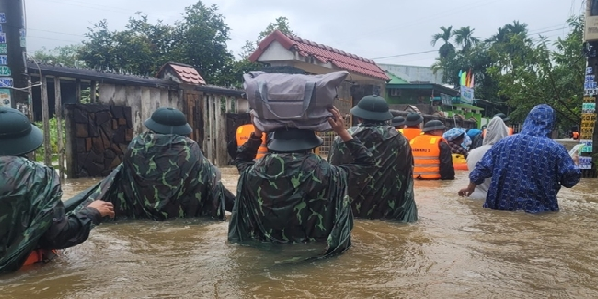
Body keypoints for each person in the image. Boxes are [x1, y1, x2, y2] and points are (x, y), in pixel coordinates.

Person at [0, 107, 114, 279]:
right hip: (16, 276)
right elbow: (57, 236)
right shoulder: (37, 176)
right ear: (25, 142)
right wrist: (92, 212)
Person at [228, 107, 374, 258]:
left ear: (274, 141)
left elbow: (242, 159)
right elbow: (368, 164)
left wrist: (257, 133)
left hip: (264, 253)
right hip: (316, 256)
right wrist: (342, 132)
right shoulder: (331, 174)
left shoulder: (252, 173)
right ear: (312, 142)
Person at [66, 107, 234, 220]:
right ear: (182, 130)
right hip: (183, 218)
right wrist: (240, 206)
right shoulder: (191, 150)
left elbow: (117, 180)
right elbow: (211, 183)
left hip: (138, 216)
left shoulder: (136, 146)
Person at [458, 104, 580, 212]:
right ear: (551, 124)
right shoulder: (556, 150)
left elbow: (482, 168)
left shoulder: (504, 143)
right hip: (539, 211)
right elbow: (570, 180)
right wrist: (574, 164)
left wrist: (470, 187)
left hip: (501, 207)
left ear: (528, 119)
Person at [329, 95, 417, 222]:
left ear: (359, 117)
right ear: (386, 117)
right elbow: (407, 175)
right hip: (389, 210)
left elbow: (333, 175)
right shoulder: (400, 140)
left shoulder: (342, 138)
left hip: (351, 210)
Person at [465, 116, 509, 199]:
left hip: (472, 196)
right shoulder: (507, 153)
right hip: (495, 200)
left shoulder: (473, 152)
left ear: (487, 133)